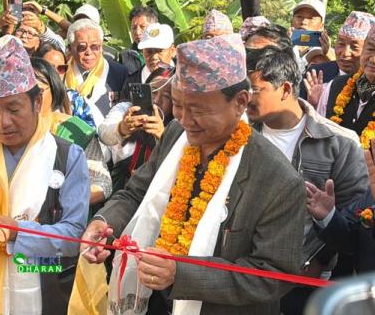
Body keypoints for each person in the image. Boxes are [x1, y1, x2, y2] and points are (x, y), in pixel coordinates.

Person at [81, 34, 305, 315]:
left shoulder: (278, 180)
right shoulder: (176, 134)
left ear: (240, 102)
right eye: (178, 105)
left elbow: (272, 275)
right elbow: (136, 192)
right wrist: (103, 224)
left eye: (198, 110)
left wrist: (181, 274)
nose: (185, 119)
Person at [0, 36, 90, 314]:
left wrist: (16, 234)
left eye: (14, 109)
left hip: (45, 282)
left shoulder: (67, 156)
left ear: (37, 102)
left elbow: (73, 235)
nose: (3, 122)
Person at [245, 47, 368, 313]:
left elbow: (355, 224)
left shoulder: (340, 142)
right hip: (244, 275)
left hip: (304, 281)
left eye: (254, 90)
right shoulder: (238, 137)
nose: (245, 98)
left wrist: (319, 254)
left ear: (285, 89)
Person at [31, 57, 112, 205]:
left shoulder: (77, 131)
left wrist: (68, 203)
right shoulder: (8, 132)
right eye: (25, 92)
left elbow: (103, 183)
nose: (31, 98)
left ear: (54, 90)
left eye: (39, 91)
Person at [99, 65, 175, 194]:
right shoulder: (126, 109)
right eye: (153, 92)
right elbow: (103, 134)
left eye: (167, 96)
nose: (157, 100)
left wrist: (162, 137)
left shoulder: (178, 125)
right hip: (120, 190)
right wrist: (121, 129)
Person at [65, 19, 128, 126]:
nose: (89, 52)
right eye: (82, 47)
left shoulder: (119, 73)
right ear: (70, 48)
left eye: (94, 47)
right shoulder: (61, 71)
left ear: (101, 47)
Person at [308, 11, 375, 111]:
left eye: (354, 47)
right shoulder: (315, 75)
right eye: (341, 44)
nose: (345, 53)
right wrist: (314, 106)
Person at [319, 24, 375, 143]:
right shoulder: (335, 86)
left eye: (354, 46)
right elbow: (319, 136)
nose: (373, 59)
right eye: (370, 49)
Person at [34, 43, 96, 128]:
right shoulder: (25, 98)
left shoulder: (75, 99)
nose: (56, 73)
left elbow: (91, 133)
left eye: (61, 68)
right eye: (51, 67)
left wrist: (70, 123)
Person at [120, 23, 175, 100]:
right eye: (149, 51)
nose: (154, 57)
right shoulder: (131, 82)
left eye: (160, 51)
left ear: (172, 50)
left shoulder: (184, 79)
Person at [119, 6, 159, 75]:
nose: (137, 32)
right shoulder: (125, 56)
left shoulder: (167, 53)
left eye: (143, 27)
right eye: (134, 28)